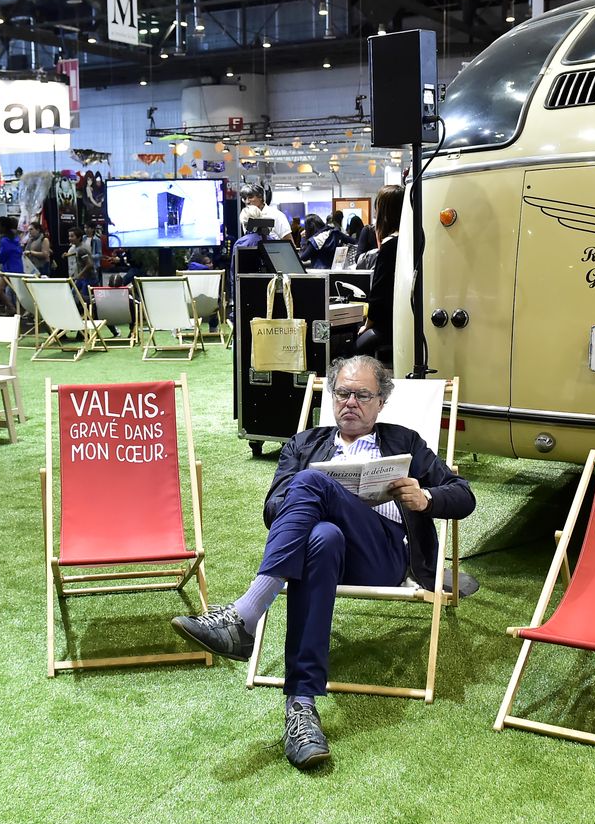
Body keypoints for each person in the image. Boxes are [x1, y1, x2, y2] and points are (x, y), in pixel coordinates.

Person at [171, 356, 477, 770]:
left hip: (382, 556)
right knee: (322, 535)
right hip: (324, 557)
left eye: (362, 395)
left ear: (381, 401)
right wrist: (315, 500)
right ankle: (301, 708)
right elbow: (272, 509)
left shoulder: (405, 442)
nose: (350, 402)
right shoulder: (305, 444)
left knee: (313, 481)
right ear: (331, 397)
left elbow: (463, 495)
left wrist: (426, 498)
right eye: (342, 393)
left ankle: (246, 613)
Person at [356, 185, 403, 364]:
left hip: (387, 327)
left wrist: (367, 324)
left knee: (351, 352)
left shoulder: (390, 245)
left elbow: (379, 293)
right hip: (405, 322)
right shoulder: (412, 240)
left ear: (384, 212)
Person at [0, 215, 23, 315]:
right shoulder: (14, 238)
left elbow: (2, 255)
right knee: (4, 291)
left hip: (10, 270)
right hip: (14, 268)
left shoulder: (5, 240)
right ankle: (12, 308)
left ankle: (12, 308)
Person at [66, 227, 96, 301]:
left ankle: (88, 311)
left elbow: (89, 264)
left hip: (88, 278)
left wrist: (79, 275)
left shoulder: (82, 249)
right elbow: (78, 253)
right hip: (82, 278)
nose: (70, 238)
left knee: (85, 299)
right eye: (69, 236)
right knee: (72, 295)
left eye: (72, 236)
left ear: (79, 238)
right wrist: (68, 255)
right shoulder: (78, 247)